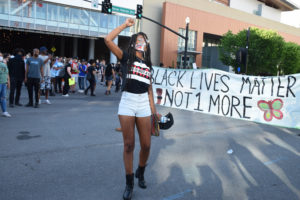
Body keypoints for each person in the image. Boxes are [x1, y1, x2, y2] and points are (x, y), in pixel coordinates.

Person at [104, 18, 161, 200]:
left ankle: (140, 172)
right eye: (138, 39)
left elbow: (150, 90)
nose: (141, 42)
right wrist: (125, 26)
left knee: (146, 144)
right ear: (134, 43)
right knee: (129, 145)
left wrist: (154, 112)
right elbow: (107, 40)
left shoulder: (149, 65)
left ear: (147, 45)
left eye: (144, 40)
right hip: (128, 102)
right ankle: (129, 183)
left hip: (144, 103)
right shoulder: (126, 57)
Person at [0, 53, 11, 117]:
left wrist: (8, 81)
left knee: (3, 97)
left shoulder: (4, 63)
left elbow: (7, 73)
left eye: (1, 55)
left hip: (3, 82)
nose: (1, 56)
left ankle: (4, 111)